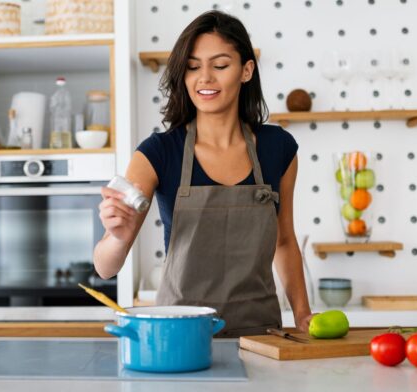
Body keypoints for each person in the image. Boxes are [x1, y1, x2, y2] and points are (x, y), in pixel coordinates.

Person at [93, 10, 312, 337]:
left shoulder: (278, 148)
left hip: (260, 335)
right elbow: (105, 267)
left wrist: (303, 315)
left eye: (220, 65)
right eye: (193, 67)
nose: (204, 78)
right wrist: (118, 237)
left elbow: (283, 240)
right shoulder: (157, 153)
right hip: (180, 334)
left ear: (246, 70)